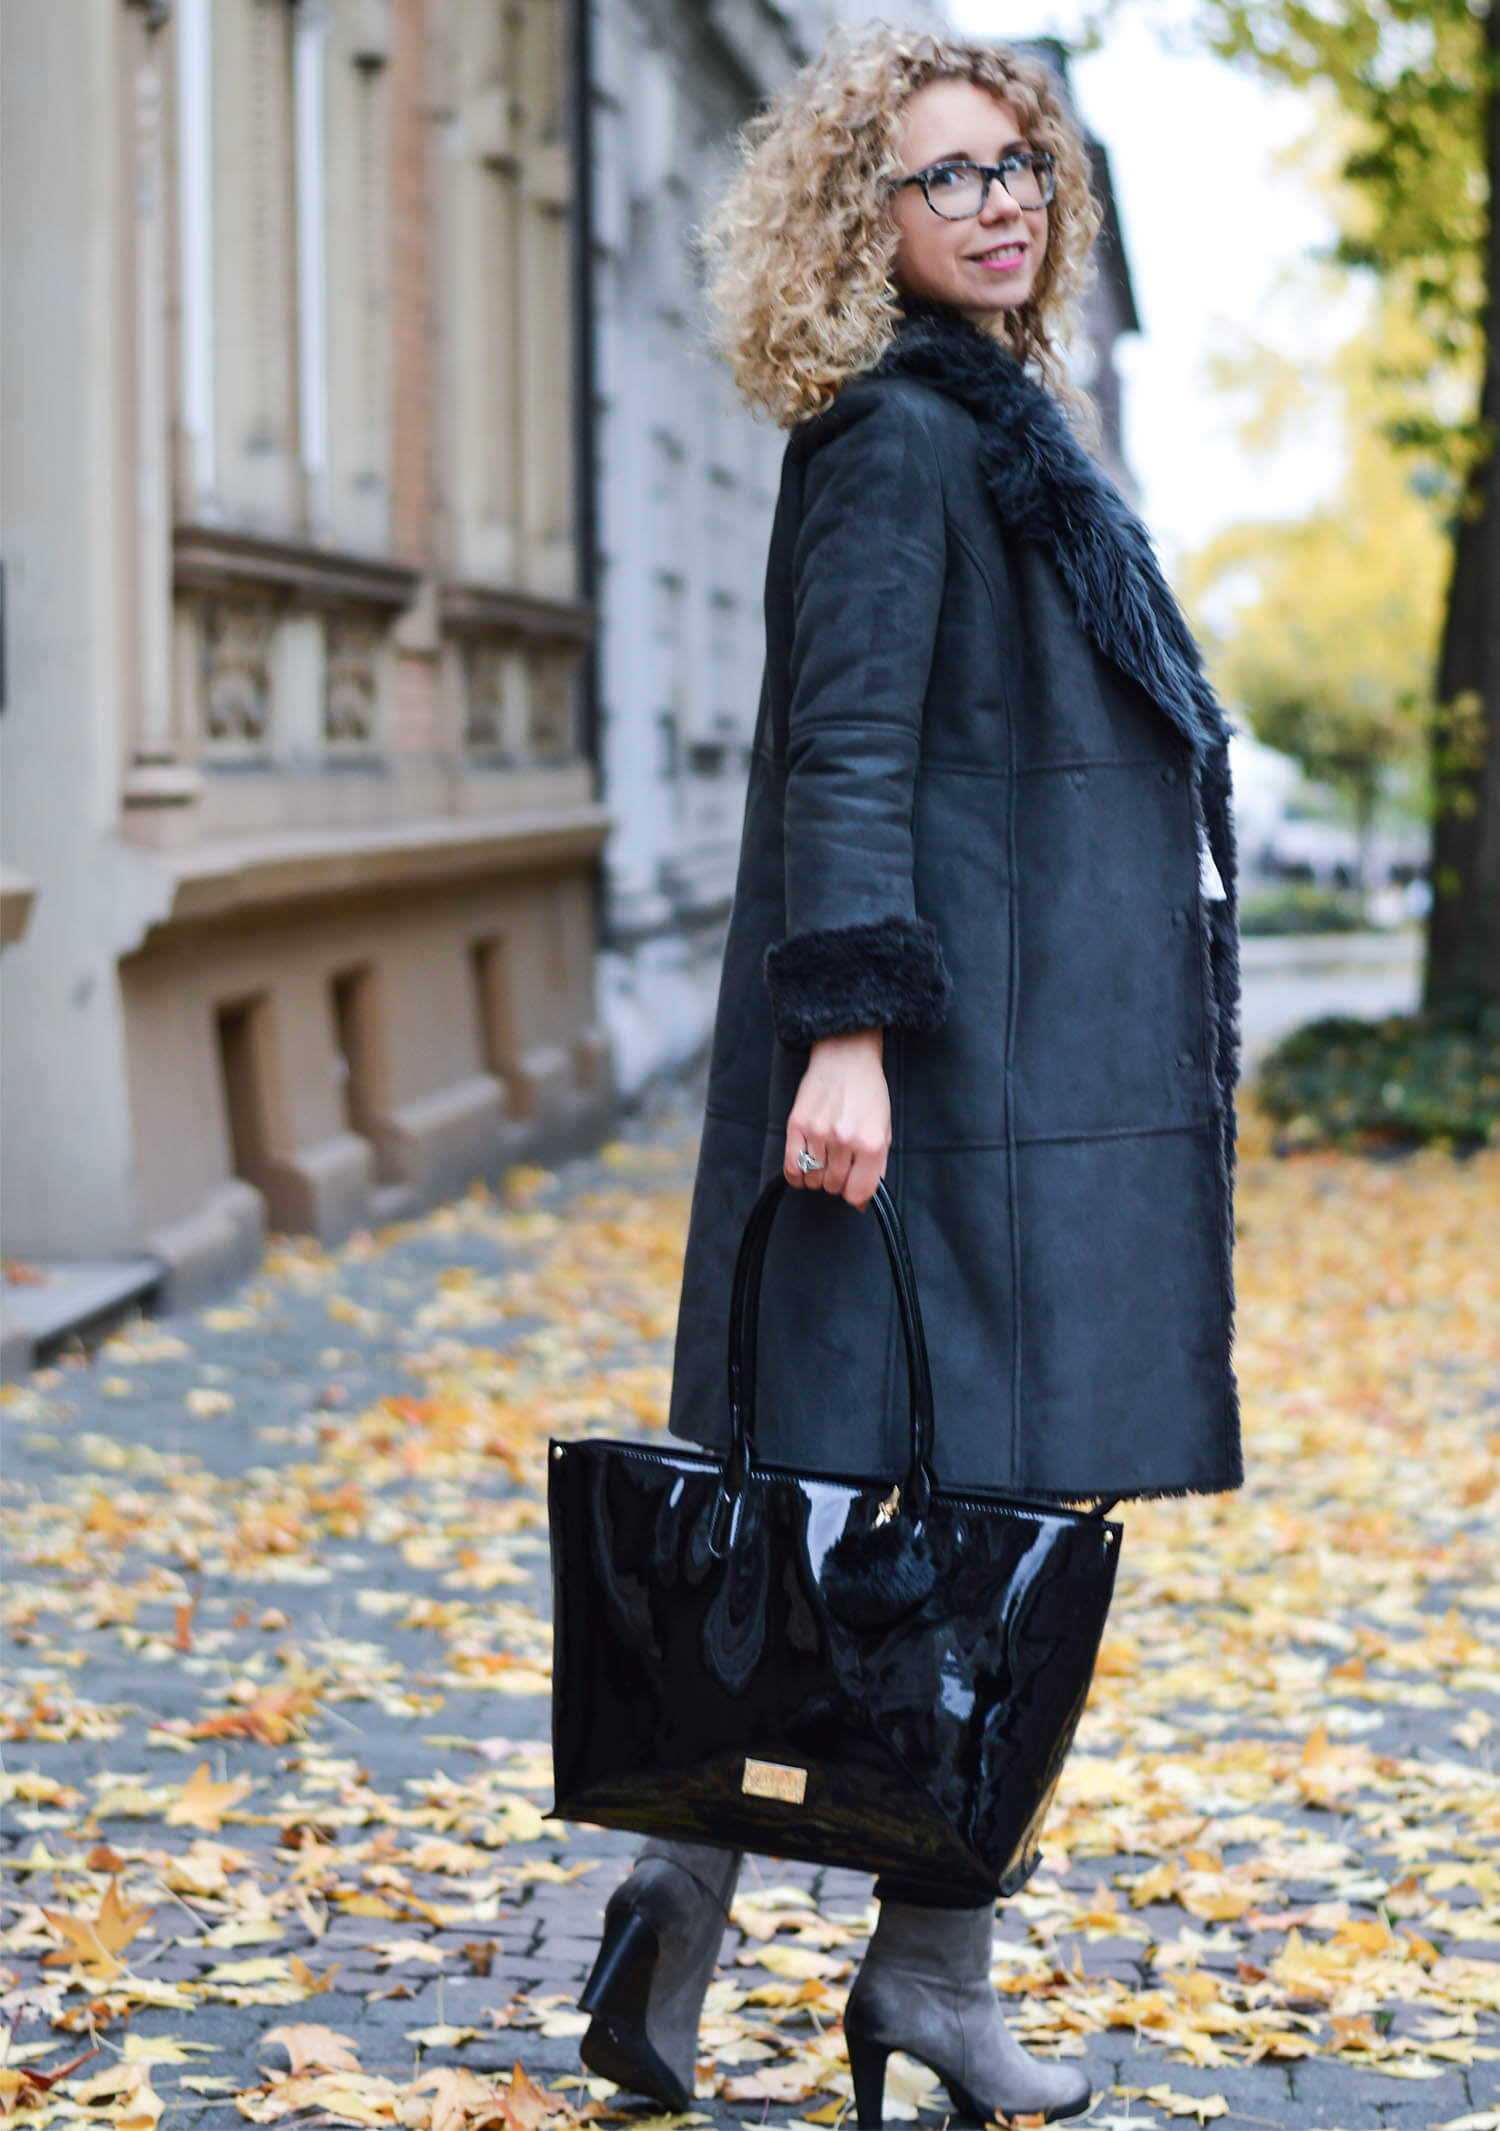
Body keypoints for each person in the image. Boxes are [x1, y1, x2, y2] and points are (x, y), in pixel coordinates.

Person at [575, 25, 1241, 2128]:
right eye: (945, 176)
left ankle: (730, 1910)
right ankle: (877, 1959)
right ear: (861, 223)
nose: (998, 202)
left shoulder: (998, 421)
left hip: (1014, 1073)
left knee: (933, 1511)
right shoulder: (894, 435)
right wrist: (842, 1028)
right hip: (946, 1088)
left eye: (1017, 165)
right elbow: (844, 747)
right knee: (968, 1512)